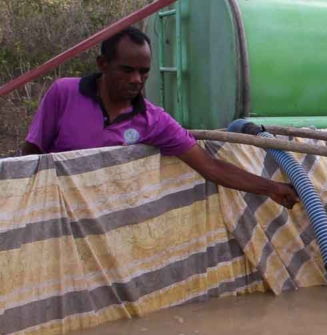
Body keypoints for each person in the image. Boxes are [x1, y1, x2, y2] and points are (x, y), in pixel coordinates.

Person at [22, 27, 299, 209]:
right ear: (102, 65)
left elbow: (210, 166)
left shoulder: (152, 121)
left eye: (144, 72)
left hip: (103, 221)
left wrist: (271, 187)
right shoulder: (64, 94)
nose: (136, 80)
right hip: (54, 214)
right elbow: (31, 156)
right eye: (127, 70)